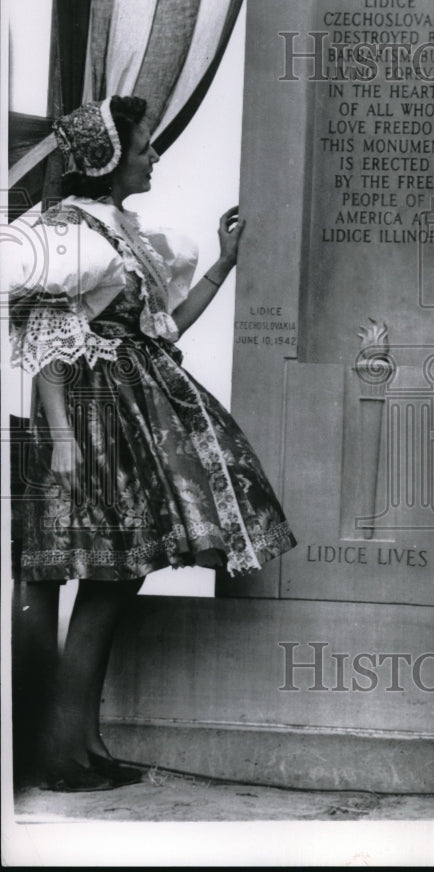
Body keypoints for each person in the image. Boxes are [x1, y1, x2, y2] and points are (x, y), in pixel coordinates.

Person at [7, 96, 297, 792]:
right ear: (108, 159)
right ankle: (56, 752)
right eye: (144, 146)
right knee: (87, 575)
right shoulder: (69, 234)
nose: (154, 156)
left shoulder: (119, 232)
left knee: (113, 577)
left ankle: (84, 741)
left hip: (123, 410)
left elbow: (163, 329)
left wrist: (224, 263)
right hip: (87, 417)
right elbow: (44, 337)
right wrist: (64, 437)